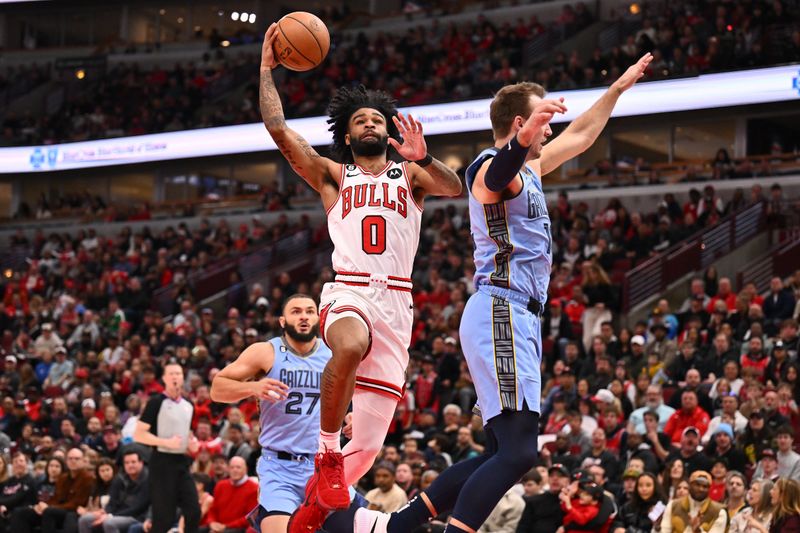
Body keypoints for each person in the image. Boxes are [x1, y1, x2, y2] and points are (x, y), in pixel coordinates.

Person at [326, 52, 654, 533]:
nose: (549, 131)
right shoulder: (488, 169)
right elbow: (495, 178)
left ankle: (405, 524)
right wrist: (521, 141)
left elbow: (581, 135)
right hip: (501, 309)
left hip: (516, 316)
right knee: (520, 451)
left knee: (502, 451)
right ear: (521, 124)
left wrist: (617, 90)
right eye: (541, 122)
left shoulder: (536, 169)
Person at [258, 23, 463, 533]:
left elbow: (454, 187)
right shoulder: (332, 175)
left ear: (388, 130)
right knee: (347, 345)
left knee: (368, 448)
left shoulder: (410, 175)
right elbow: (280, 130)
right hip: (349, 289)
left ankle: (306, 517)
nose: (371, 123)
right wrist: (265, 71)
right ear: (347, 134)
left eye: (378, 118)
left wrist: (425, 157)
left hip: (397, 304)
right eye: (361, 120)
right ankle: (326, 452)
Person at [210, 295, 333, 533]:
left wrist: (350, 415)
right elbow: (217, 388)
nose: (304, 316)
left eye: (309, 311)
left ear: (318, 318)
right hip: (279, 464)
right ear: (282, 321)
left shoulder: (332, 354)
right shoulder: (265, 352)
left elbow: (351, 392)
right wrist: (252, 387)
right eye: (296, 312)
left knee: (366, 524)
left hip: (321, 464)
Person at [134, 362, 201, 533]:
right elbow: (139, 434)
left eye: (178, 374)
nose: (175, 377)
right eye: (171, 374)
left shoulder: (188, 405)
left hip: (182, 462)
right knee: (164, 518)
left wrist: (192, 445)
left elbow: (188, 435)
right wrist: (165, 442)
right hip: (161, 462)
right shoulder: (156, 402)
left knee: (193, 511)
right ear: (164, 378)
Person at [78, 450, 150, 533]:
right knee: (85, 519)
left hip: (136, 516)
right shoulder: (120, 478)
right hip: (117, 513)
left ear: (141, 463)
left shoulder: (147, 480)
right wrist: (105, 511)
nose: (130, 465)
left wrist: (110, 515)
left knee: (109, 523)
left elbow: (138, 507)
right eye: (127, 463)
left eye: (133, 462)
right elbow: (112, 501)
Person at [199, 457, 258, 533]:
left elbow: (249, 518)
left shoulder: (253, 488)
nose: (235, 470)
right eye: (232, 467)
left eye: (238, 467)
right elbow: (213, 509)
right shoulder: (220, 485)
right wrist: (212, 522)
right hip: (217, 526)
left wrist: (226, 526)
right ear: (228, 469)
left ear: (245, 469)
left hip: (238, 529)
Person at [660, 470, 727, 533]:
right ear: (690, 485)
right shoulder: (673, 505)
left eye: (705, 486)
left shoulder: (719, 511)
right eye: (697, 485)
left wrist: (698, 531)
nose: (701, 489)